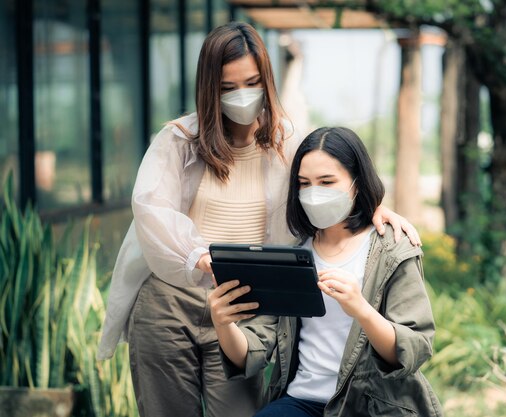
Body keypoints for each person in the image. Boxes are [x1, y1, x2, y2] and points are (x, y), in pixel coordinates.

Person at [97, 23, 420, 417]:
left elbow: (327, 175)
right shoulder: (180, 140)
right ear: (208, 88)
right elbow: (150, 210)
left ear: (266, 79)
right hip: (171, 300)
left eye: (251, 82)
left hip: (246, 304)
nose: (242, 96)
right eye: (227, 87)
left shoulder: (288, 142)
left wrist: (373, 208)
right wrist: (200, 257)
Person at [209, 127, 442, 417]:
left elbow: (414, 348)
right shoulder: (294, 256)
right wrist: (223, 323)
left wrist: (361, 309)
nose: (313, 194)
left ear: (357, 182)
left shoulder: (392, 250)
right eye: (304, 183)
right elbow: (253, 351)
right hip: (301, 401)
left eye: (327, 182)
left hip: (371, 405)